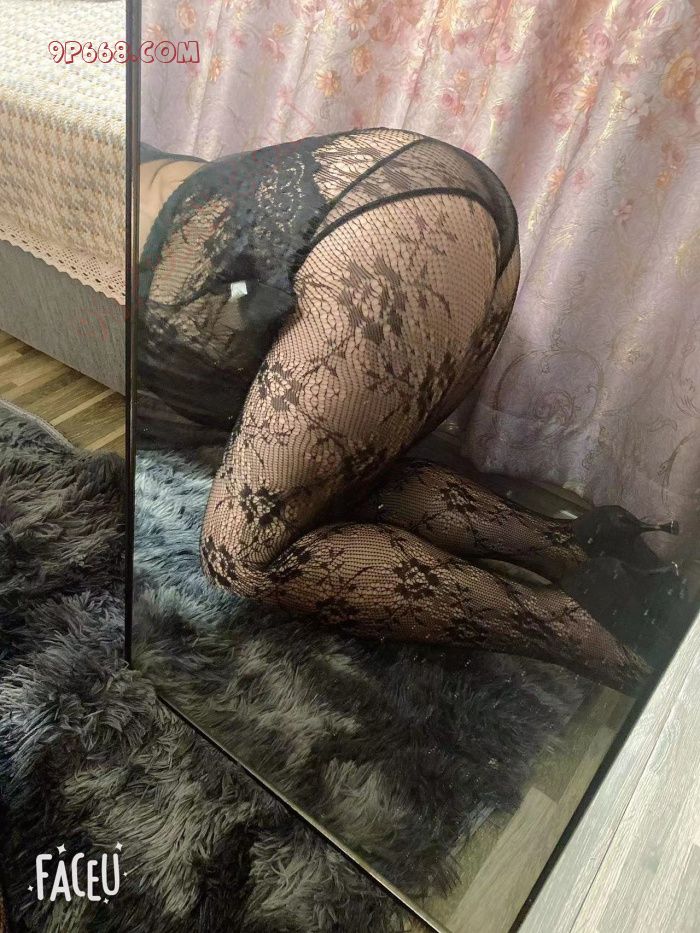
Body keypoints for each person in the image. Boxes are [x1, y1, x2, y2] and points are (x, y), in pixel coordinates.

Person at [138, 126, 681, 693]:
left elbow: (209, 363)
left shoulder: (114, 219)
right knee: (343, 483)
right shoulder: (167, 175)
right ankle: (581, 545)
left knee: (244, 553)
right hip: (435, 186)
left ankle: (578, 629)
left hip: (374, 239)